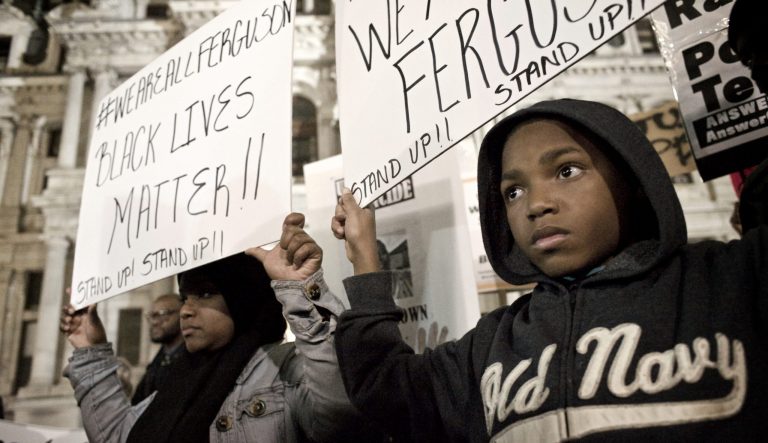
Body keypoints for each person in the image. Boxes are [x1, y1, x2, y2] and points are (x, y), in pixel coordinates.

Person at [332, 98, 768, 442]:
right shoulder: (492, 345)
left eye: (566, 170)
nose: (536, 204)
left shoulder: (734, 282)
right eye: (514, 191)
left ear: (632, 179)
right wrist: (365, 257)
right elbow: (388, 391)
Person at [60, 214, 373, 443]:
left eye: (205, 294)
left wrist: (300, 287)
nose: (186, 310)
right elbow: (119, 438)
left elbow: (341, 413)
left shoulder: (285, 368)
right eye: (185, 297)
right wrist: (89, 348)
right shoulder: (179, 380)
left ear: (243, 301)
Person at [131, 293, 185, 404]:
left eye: (162, 314)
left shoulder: (194, 360)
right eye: (151, 316)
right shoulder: (157, 362)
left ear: (182, 314)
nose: (154, 322)